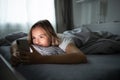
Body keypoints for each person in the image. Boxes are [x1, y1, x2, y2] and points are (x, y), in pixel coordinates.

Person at [10, 19, 87, 66]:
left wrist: (40, 59)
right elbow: (16, 42)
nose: (36, 41)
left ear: (51, 36)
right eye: (34, 37)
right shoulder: (35, 38)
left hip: (82, 35)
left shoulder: (62, 40)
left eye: (41, 37)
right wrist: (15, 52)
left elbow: (80, 57)